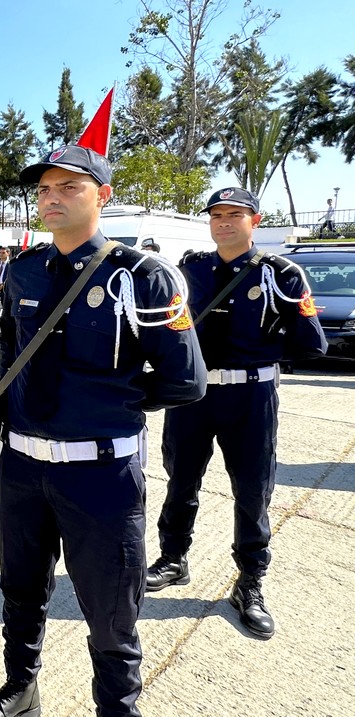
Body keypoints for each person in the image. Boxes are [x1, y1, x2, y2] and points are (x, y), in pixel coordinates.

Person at [0, 145, 206, 717]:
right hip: (23, 467)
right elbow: (11, 353)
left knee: (110, 610)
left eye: (69, 187)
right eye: (45, 189)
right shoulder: (21, 269)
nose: (52, 198)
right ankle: (21, 688)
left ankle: (117, 709)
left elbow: (188, 380)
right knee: (21, 590)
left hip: (101, 472)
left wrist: (115, 398)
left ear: (102, 196)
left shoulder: (145, 277)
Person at [146, 187, 327, 640]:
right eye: (217, 215)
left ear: (255, 221)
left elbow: (312, 342)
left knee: (252, 491)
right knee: (180, 480)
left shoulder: (279, 273)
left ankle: (249, 582)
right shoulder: (191, 268)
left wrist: (260, 353)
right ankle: (173, 559)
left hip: (251, 398)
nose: (224, 222)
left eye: (235, 215)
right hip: (195, 395)